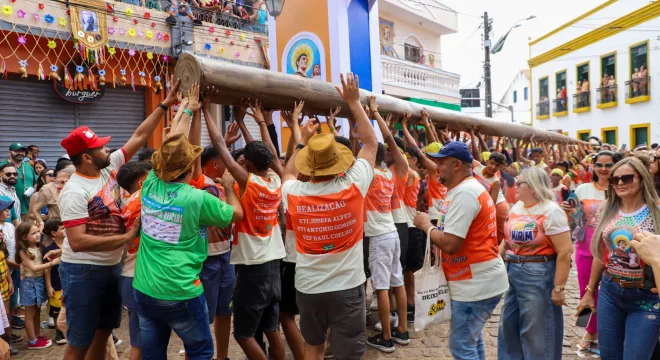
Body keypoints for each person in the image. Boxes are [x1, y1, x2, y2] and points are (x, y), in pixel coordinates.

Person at [58, 80, 180, 360]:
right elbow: (77, 242)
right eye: (100, 148)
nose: (107, 150)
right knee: (80, 339)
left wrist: (164, 104)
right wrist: (126, 238)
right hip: (83, 272)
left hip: (111, 267)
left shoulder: (108, 168)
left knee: (103, 333)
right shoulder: (74, 191)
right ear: (86, 157)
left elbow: (140, 135)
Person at [133, 84, 243, 359]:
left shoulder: (150, 185)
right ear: (189, 168)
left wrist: (187, 108)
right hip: (181, 290)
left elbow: (172, 146)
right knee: (201, 352)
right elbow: (236, 216)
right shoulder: (197, 198)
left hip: (145, 288)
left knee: (153, 353)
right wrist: (229, 188)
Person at [280, 73, 377, 360]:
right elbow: (371, 145)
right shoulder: (354, 185)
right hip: (347, 287)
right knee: (349, 351)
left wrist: (302, 140)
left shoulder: (295, 192)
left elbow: (287, 172)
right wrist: (354, 103)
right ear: (339, 161)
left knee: (314, 347)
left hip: (308, 287)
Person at [205, 96, 286, 360]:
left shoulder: (248, 183)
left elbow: (220, 146)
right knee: (271, 327)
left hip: (253, 268)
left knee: (243, 333)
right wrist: (242, 119)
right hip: (275, 264)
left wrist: (206, 109)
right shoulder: (274, 179)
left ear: (247, 165)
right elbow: (269, 152)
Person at [413, 141, 509, 359]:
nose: (437, 167)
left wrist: (426, 226)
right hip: (475, 281)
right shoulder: (465, 189)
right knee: (471, 341)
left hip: (473, 284)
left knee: (462, 345)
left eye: (441, 162)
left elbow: (450, 244)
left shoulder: (465, 193)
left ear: (456, 165)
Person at [576, 157, 660, 359]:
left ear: (642, 178)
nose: (620, 183)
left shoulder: (656, 211)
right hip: (610, 292)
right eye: (615, 180)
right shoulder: (609, 209)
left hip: (647, 297)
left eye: (627, 178)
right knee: (609, 355)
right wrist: (589, 291)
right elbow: (601, 253)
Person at [497, 167, 572, 359]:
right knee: (508, 326)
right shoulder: (517, 207)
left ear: (532, 187)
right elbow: (507, 239)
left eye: (519, 182)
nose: (515, 186)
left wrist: (558, 288)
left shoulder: (551, 211)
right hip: (513, 268)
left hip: (538, 272)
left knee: (537, 331)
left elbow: (564, 252)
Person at [364, 98, 410, 352]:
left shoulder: (369, 174)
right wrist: (374, 114)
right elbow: (389, 143)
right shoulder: (389, 174)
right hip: (391, 233)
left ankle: (387, 338)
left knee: (381, 288)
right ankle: (402, 330)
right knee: (397, 282)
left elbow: (378, 143)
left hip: (380, 238)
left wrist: (369, 114)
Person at [562, 150, 614, 354]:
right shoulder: (582, 189)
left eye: (608, 165)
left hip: (611, 249)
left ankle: (608, 331)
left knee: (609, 292)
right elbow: (575, 219)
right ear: (593, 167)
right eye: (599, 165)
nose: (603, 169)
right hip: (586, 247)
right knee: (586, 290)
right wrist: (568, 211)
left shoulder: (620, 188)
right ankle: (590, 332)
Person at [116, 161, 151, 360]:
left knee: (139, 335)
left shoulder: (127, 202)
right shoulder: (143, 200)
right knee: (141, 340)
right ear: (141, 184)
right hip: (138, 276)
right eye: (151, 179)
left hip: (129, 275)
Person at [15, 221, 57, 349]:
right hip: (29, 284)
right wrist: (52, 263)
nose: (38, 234)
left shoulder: (40, 247)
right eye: (33, 233)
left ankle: (37, 336)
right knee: (30, 314)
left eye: (38, 231)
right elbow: (33, 267)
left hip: (39, 282)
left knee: (38, 312)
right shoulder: (24, 251)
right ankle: (32, 341)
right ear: (24, 237)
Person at [472, 152, 508, 242]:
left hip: (499, 208)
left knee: (497, 238)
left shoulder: (496, 182)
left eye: (497, 165)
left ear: (500, 168)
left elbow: (491, 204)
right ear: (487, 161)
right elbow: (463, 154)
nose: (493, 167)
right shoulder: (477, 166)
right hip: (483, 204)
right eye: (491, 163)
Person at [43, 218, 67, 345]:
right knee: (57, 310)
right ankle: (59, 332)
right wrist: (48, 286)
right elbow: (47, 269)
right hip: (56, 283)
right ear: (53, 233)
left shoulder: (68, 244)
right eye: (62, 228)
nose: (66, 230)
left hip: (67, 282)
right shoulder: (49, 249)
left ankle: (64, 329)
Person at [0, 143, 37, 221]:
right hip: (8, 211)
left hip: (27, 210)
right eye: (17, 151)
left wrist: (32, 193)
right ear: (9, 153)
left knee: (28, 233)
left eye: (22, 151)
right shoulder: (2, 166)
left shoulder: (28, 166)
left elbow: (35, 183)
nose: (20, 153)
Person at [0, 200, 16, 356]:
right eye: (4, 209)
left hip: (6, 280)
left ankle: (8, 340)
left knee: (7, 312)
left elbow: (4, 260)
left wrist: (10, 280)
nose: (7, 212)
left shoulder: (10, 226)